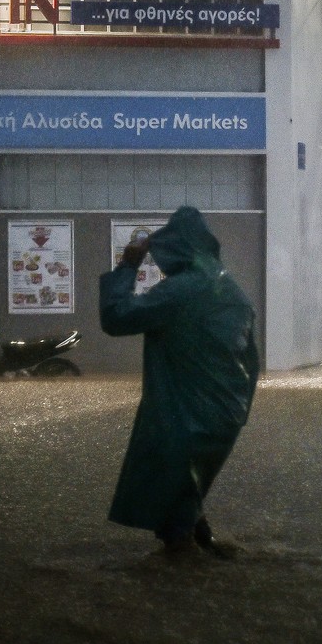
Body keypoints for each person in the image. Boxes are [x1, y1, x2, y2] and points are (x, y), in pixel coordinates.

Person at [99, 206, 260, 559]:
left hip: (184, 412)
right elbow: (252, 360)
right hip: (227, 412)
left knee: (168, 468)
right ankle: (198, 533)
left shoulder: (179, 291)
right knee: (188, 475)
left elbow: (116, 318)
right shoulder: (234, 291)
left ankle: (182, 552)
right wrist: (240, 409)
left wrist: (128, 266)